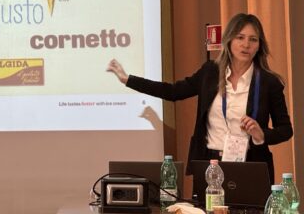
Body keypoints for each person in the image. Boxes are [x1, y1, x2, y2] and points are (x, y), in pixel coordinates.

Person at [107, 13, 293, 183]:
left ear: (259, 45)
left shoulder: (269, 82)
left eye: (253, 39)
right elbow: (173, 91)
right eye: (240, 37)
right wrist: (128, 80)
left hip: (252, 164)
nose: (246, 45)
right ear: (229, 40)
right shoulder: (210, 72)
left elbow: (285, 130)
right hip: (210, 162)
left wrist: (261, 135)